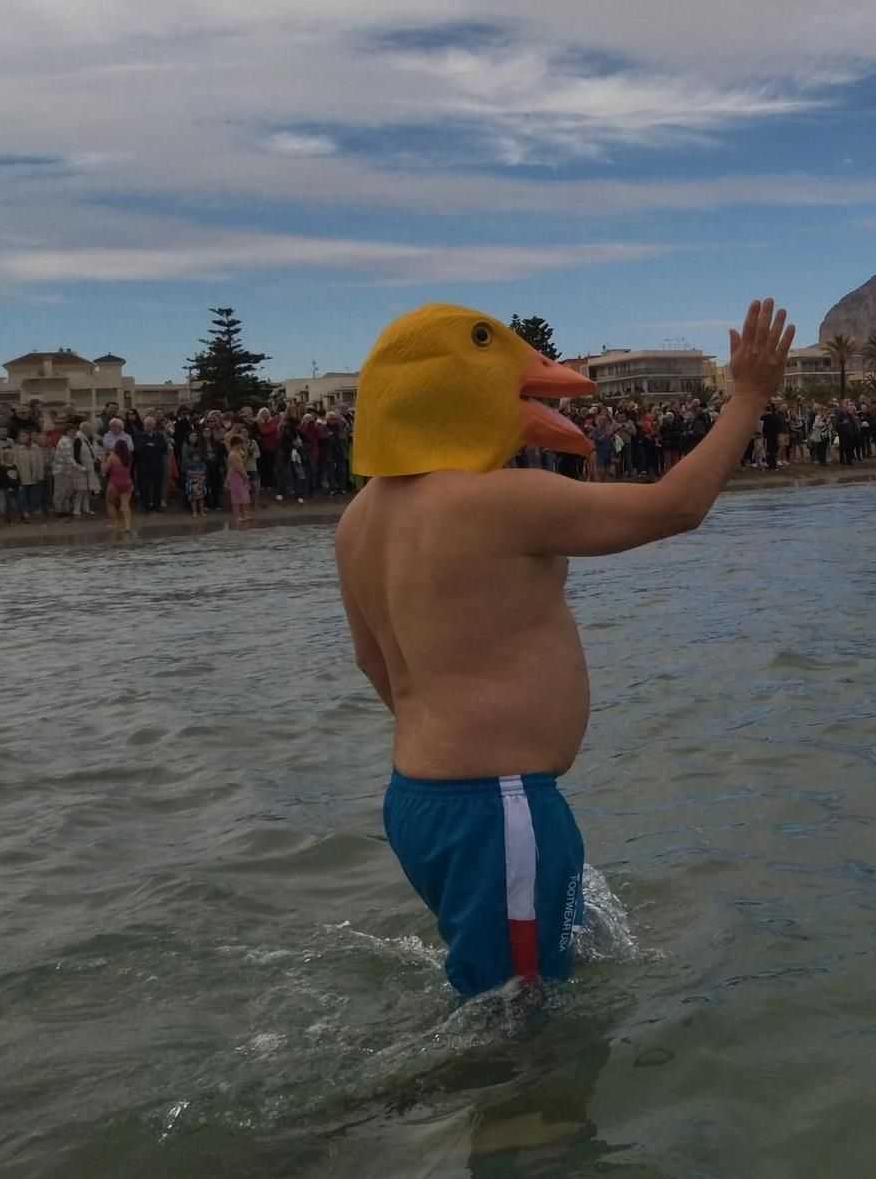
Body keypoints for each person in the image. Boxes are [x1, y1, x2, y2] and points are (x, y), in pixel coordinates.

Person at [337, 298, 794, 998]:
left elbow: (375, 662)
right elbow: (676, 505)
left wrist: (448, 739)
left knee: (510, 983)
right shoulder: (498, 501)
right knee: (521, 1020)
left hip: (418, 802)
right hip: (497, 804)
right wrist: (751, 397)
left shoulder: (358, 521)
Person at [103, 440, 134, 533]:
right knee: (125, 505)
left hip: (114, 483)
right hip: (127, 483)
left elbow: (104, 470)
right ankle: (127, 526)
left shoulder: (112, 457)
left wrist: (103, 460)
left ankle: (114, 523)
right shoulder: (128, 458)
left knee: (110, 502)